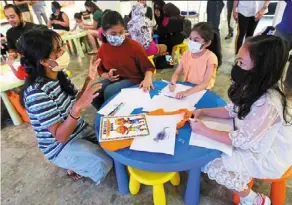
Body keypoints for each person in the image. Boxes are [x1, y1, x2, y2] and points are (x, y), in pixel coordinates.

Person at [191, 35, 292, 205]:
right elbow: (232, 110)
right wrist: (202, 112)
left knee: (209, 162)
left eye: (241, 63)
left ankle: (253, 199)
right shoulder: (252, 83)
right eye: (237, 60)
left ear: (261, 69)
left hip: (268, 154)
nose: (236, 66)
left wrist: (204, 130)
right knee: (212, 151)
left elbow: (244, 141)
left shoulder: (269, 102)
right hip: (253, 139)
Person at [18, 28, 113, 182]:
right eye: (57, 50)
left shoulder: (58, 74)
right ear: (43, 61)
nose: (63, 51)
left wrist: (89, 78)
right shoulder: (37, 93)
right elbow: (60, 136)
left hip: (78, 129)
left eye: (61, 45)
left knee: (114, 147)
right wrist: (76, 109)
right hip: (59, 145)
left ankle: (77, 159)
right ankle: (70, 163)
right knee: (104, 162)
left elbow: (77, 100)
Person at [92, 11, 155, 109]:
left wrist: (147, 78)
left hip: (134, 79)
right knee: (93, 90)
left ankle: (112, 112)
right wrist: (107, 75)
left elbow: (149, 67)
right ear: (104, 33)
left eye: (121, 32)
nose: (118, 36)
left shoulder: (134, 46)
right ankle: (103, 112)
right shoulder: (102, 49)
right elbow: (100, 70)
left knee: (110, 91)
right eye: (113, 33)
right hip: (116, 80)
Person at [169, 22, 222, 99]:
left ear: (207, 43)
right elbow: (177, 72)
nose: (191, 42)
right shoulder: (186, 54)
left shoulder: (211, 58)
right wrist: (173, 82)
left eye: (196, 40)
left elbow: (204, 84)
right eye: (190, 38)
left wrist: (186, 93)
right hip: (186, 87)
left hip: (202, 91)